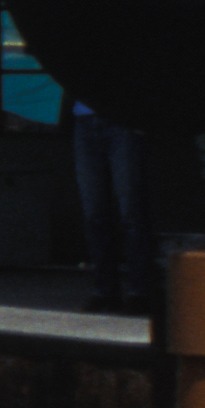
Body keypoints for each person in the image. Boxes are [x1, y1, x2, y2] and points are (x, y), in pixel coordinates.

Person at [65, 92, 147, 314]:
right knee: (95, 214)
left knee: (130, 212)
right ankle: (105, 291)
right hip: (85, 118)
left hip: (121, 117)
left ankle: (139, 291)